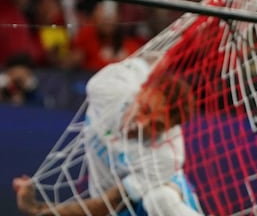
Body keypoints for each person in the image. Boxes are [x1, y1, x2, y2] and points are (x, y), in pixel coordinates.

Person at [12, 54, 202, 216]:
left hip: (147, 201)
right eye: (145, 110)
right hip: (116, 209)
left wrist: (38, 209)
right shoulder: (108, 88)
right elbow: (145, 61)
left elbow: (109, 203)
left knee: (160, 199)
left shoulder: (167, 154)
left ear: (168, 129)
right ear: (142, 91)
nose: (143, 124)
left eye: (157, 125)